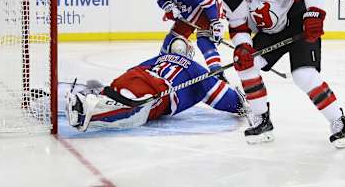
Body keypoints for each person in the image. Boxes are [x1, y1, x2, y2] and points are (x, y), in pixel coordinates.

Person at [215, 0, 345, 149]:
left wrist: (314, 15)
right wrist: (243, 47)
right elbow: (239, 28)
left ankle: (340, 124)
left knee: (303, 76)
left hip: (299, 25)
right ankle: (262, 121)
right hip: (271, 34)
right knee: (245, 64)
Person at [66, 36, 248, 132]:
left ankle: (71, 98)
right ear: (188, 52)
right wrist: (241, 103)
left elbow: (135, 69)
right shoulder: (195, 68)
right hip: (159, 89)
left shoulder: (160, 58)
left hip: (135, 76)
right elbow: (223, 97)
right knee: (132, 110)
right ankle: (88, 108)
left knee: (116, 93)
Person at [157, 0, 225, 78]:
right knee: (170, 40)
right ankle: (160, 66)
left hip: (202, 10)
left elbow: (208, 2)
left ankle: (217, 72)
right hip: (185, 14)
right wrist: (168, 6)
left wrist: (215, 23)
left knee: (203, 40)